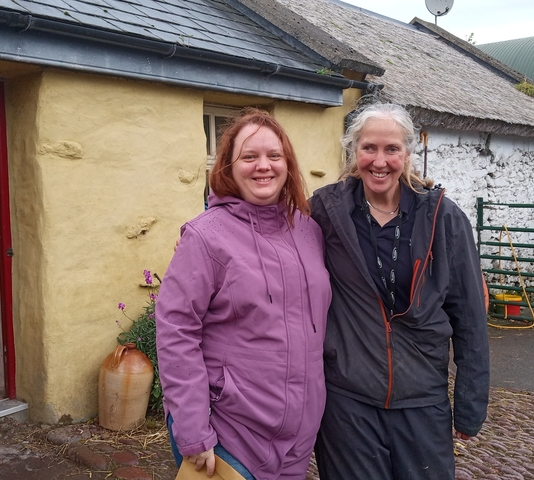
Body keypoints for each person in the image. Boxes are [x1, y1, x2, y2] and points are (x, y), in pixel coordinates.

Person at [309, 102, 490, 480]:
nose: (380, 161)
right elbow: (268, 237)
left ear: (408, 154)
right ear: (353, 152)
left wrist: (470, 405)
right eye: (369, 148)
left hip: (422, 398)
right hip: (348, 399)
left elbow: (470, 315)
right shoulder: (325, 212)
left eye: (391, 149)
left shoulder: (443, 217)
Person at [156, 109, 332, 480]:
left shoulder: (308, 231)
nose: (262, 166)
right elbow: (176, 330)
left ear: (288, 164)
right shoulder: (206, 237)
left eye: (273, 156)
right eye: (249, 157)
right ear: (228, 167)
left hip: (297, 438)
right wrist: (192, 429)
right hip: (229, 432)